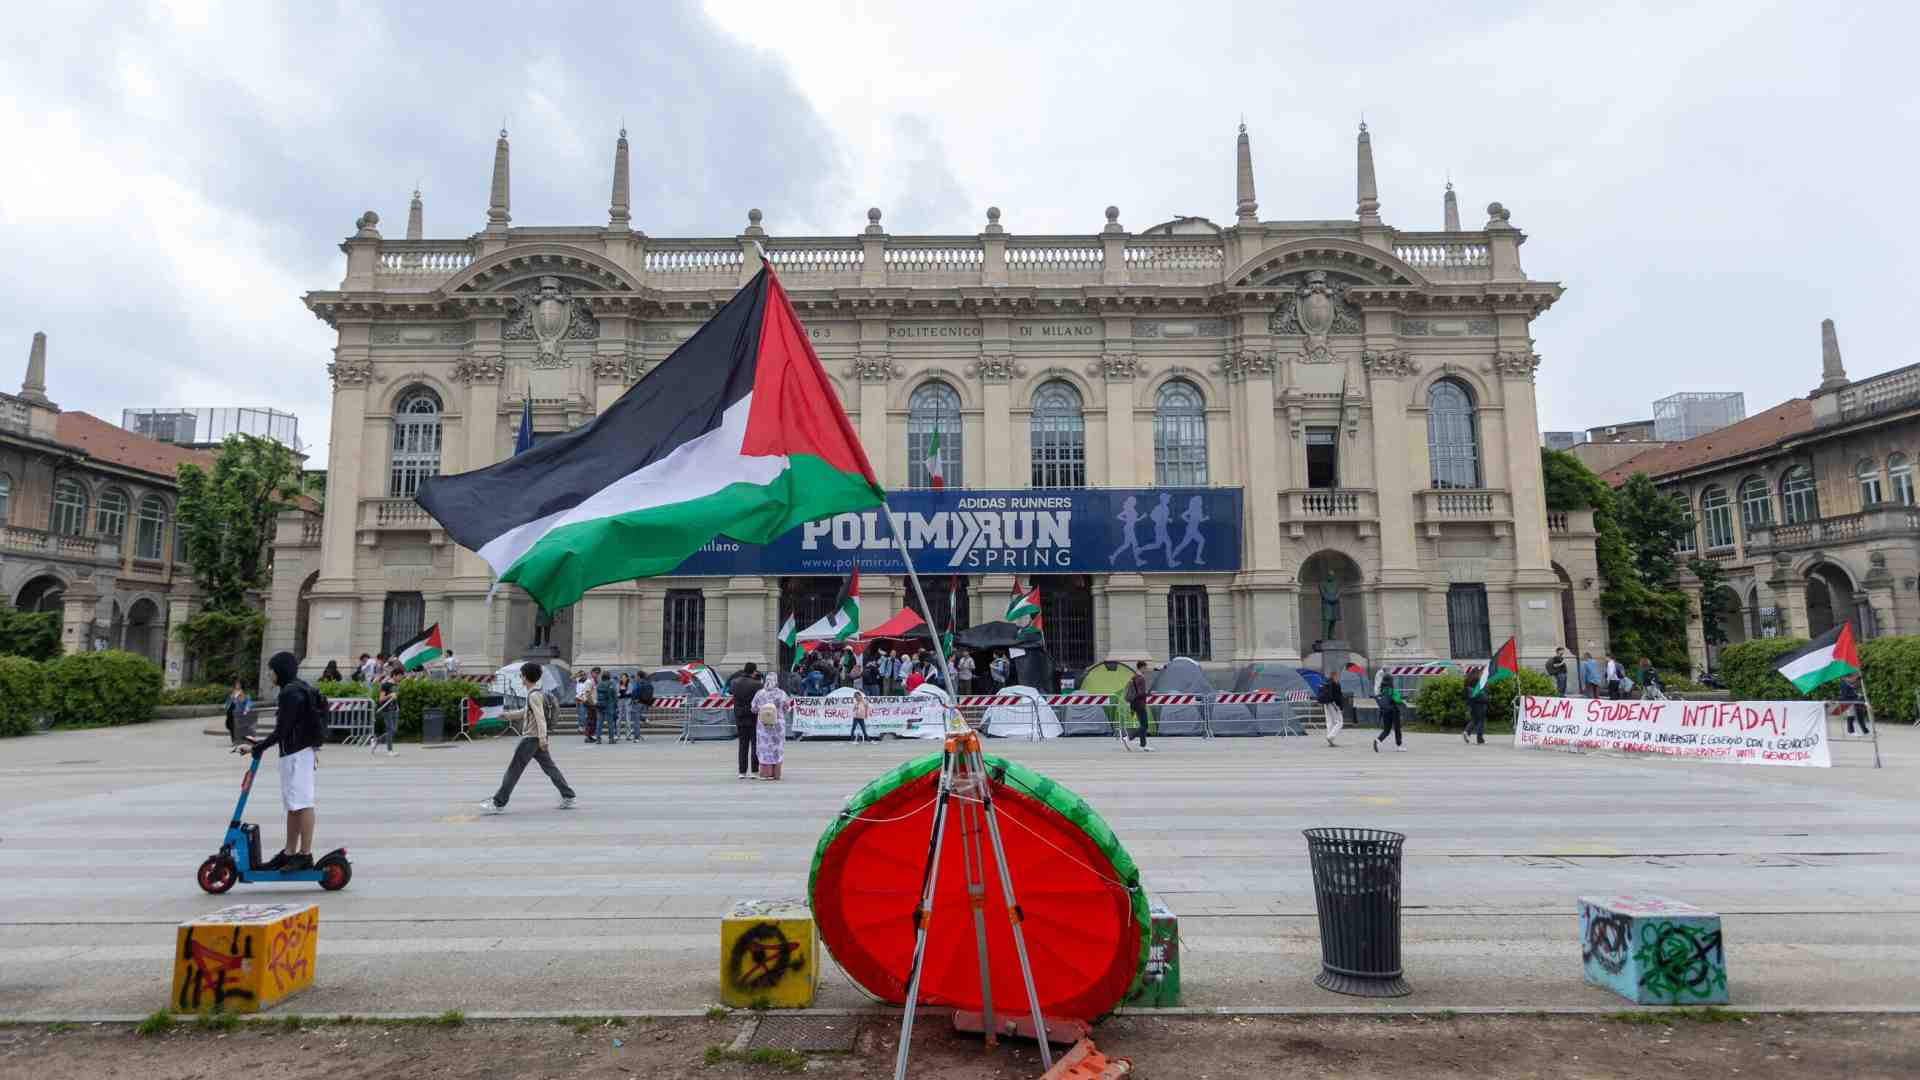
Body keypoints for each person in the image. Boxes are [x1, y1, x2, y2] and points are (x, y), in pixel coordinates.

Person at [233, 651, 324, 870]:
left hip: (296, 755)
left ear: (280, 670)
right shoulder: (296, 688)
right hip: (295, 754)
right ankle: (289, 852)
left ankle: (305, 854)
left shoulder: (290, 693)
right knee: (294, 805)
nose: (269, 674)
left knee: (303, 803)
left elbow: (282, 731)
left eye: (271, 670)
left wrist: (257, 747)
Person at [480, 662, 576, 813]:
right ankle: (568, 796)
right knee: (550, 768)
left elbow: (540, 718)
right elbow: (526, 712)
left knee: (513, 770)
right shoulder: (537, 693)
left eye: (521, 675)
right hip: (537, 739)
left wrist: (543, 738)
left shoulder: (534, 695)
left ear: (525, 677)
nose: (520, 677)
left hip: (531, 739)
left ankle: (498, 803)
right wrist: (507, 715)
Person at [729, 663, 763, 780]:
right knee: (755, 744)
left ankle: (742, 771)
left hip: (740, 716)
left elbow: (731, 692)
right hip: (753, 717)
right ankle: (754, 771)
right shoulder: (757, 684)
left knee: (743, 745)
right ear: (754, 671)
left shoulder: (734, 682)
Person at [373, 661, 402, 755]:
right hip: (386, 710)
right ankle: (390, 750)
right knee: (390, 730)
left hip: (395, 709)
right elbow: (381, 699)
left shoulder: (397, 685)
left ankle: (376, 741)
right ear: (394, 675)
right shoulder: (385, 685)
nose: (401, 678)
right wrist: (390, 695)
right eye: (400, 676)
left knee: (394, 730)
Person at [1124, 660, 1153, 752]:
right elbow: (1140, 693)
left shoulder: (1134, 677)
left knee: (1143, 725)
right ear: (1141, 667)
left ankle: (1143, 745)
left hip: (1134, 703)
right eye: (1145, 667)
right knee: (1144, 725)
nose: (1146, 669)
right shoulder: (1141, 678)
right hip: (1140, 703)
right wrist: (1148, 694)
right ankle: (1128, 737)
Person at [1373, 670, 1404, 752]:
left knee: (1387, 729)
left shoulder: (1382, 691)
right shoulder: (1393, 691)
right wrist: (1401, 701)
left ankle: (1378, 740)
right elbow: (1398, 700)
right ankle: (1399, 746)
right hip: (1394, 711)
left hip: (1385, 712)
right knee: (1397, 728)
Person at [755, 702, 786, 780]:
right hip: (778, 727)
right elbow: (787, 708)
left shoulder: (760, 693)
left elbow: (754, 708)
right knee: (777, 751)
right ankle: (776, 774)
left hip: (763, 726)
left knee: (764, 750)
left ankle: (766, 774)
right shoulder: (782, 694)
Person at [1316, 674, 1346, 747]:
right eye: (1337, 676)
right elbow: (1338, 697)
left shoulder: (1326, 682)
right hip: (1333, 704)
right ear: (1335, 676)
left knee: (1330, 721)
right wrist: (1341, 707)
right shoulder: (1335, 684)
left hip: (1326, 704)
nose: (1338, 678)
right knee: (1339, 722)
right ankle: (1330, 737)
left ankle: (1330, 740)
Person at [223, 680, 251, 745]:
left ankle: (235, 740)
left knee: (235, 726)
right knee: (229, 725)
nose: (237, 685)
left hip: (238, 712)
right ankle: (236, 739)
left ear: (241, 685)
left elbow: (248, 702)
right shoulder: (232, 693)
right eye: (236, 684)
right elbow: (227, 701)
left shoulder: (244, 694)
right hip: (230, 712)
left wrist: (246, 709)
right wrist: (225, 706)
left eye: (238, 684)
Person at [593, 667, 617, 743]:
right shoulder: (611, 684)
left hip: (600, 704)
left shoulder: (599, 684)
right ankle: (611, 739)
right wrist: (615, 705)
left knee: (599, 722)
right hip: (609, 705)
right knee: (610, 722)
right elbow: (614, 695)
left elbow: (596, 694)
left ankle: (598, 739)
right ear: (609, 677)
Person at [1464, 677, 1488, 745]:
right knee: (1481, 721)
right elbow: (1483, 694)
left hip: (1474, 704)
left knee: (1474, 720)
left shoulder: (1469, 685)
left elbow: (1469, 698)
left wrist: (1468, 707)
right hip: (1481, 704)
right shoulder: (1480, 684)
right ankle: (1479, 739)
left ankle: (1467, 732)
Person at [575, 670, 596, 742]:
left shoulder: (588, 682)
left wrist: (584, 699)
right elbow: (572, 678)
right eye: (581, 675)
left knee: (585, 715)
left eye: (583, 675)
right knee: (580, 714)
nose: (582, 676)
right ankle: (582, 726)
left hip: (585, 701)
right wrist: (578, 674)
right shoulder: (579, 681)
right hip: (580, 699)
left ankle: (584, 728)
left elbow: (587, 692)